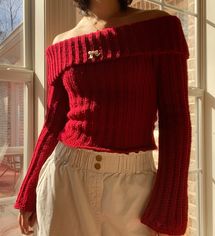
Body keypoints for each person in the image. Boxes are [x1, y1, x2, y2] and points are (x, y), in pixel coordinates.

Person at [14, 0, 192, 235]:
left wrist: (169, 204)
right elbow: (53, 122)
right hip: (66, 179)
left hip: (134, 187)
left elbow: (175, 119)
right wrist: (29, 190)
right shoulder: (62, 43)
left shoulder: (159, 27)